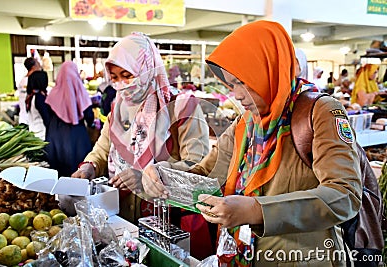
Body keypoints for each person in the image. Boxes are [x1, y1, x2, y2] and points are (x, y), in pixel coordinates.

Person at [142, 20, 362, 266]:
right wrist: (162, 175)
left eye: (242, 82)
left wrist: (257, 210)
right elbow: (206, 172)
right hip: (242, 255)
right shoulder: (245, 123)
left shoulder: (319, 112)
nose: (235, 94)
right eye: (231, 84)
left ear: (268, 70)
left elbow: (345, 194)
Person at [71, 32, 211, 257]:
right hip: (124, 219)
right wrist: (89, 166)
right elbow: (103, 146)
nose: (121, 84)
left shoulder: (182, 108)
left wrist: (147, 177)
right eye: (115, 77)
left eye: (128, 75)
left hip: (167, 224)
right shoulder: (119, 108)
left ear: (147, 69)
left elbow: (200, 167)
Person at [45, 61, 94, 177]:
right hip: (77, 136)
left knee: (58, 172)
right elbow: (89, 115)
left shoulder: (53, 93)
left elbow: (47, 114)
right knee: (79, 171)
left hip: (55, 135)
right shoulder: (81, 90)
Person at [25, 70, 50, 140]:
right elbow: (47, 119)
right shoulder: (40, 98)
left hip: (34, 132)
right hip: (42, 135)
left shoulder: (31, 96)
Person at [16, 57, 42, 125]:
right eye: (38, 63)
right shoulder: (31, 81)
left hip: (24, 118)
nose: (40, 65)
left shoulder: (22, 80)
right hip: (31, 120)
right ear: (34, 67)